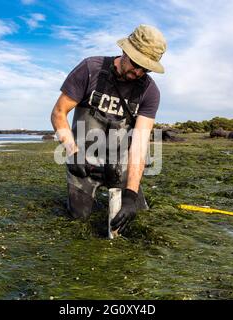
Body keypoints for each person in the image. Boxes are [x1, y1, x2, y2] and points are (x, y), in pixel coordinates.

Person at [51, 24, 167, 235]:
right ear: (125, 51)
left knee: (136, 219)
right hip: (84, 162)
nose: (138, 72)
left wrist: (131, 195)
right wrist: (72, 152)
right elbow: (58, 113)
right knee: (80, 219)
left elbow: (139, 145)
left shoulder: (149, 91)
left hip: (120, 164)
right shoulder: (90, 69)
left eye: (146, 69)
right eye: (136, 63)